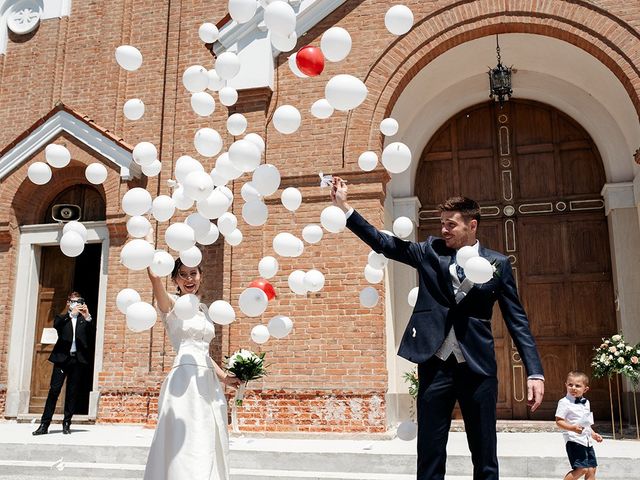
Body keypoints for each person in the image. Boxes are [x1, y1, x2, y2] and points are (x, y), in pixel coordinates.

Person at [330, 177, 544, 480]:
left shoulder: (497, 263)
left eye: (451, 225)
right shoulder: (429, 251)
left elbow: (516, 319)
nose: (443, 230)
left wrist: (534, 371)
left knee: (485, 453)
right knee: (430, 452)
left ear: (472, 226)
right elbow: (385, 243)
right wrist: (345, 207)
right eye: (442, 223)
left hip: (478, 369)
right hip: (435, 366)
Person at [143, 236, 240, 480]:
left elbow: (204, 353)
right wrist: (148, 244)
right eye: (183, 275)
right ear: (175, 279)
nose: (189, 279)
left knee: (207, 434)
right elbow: (154, 277)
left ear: (200, 275)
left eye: (193, 273)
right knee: (183, 436)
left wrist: (225, 378)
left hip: (207, 380)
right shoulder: (172, 305)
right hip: (183, 380)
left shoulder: (205, 311)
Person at [33, 291, 95, 435]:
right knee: (54, 391)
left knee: (72, 393)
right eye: (74, 301)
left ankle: (66, 423)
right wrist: (70, 314)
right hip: (61, 360)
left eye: (79, 301)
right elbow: (57, 326)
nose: (76, 304)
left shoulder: (83, 320)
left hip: (77, 360)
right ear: (68, 303)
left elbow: (92, 334)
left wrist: (87, 316)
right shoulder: (62, 318)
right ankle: (44, 425)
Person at [555, 371, 603, 480]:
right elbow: (559, 421)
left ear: (585, 389)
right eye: (570, 385)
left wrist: (594, 435)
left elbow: (586, 424)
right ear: (566, 385)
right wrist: (572, 428)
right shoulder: (564, 402)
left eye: (578, 386)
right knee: (581, 469)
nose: (573, 388)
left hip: (586, 441)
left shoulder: (586, 403)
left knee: (591, 469)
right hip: (574, 440)